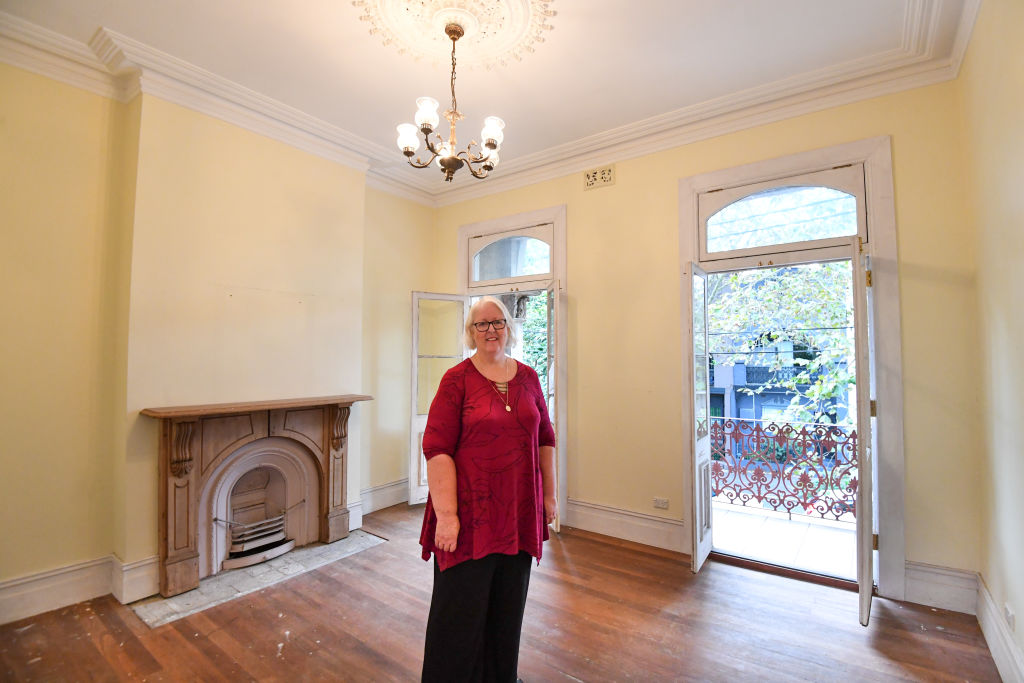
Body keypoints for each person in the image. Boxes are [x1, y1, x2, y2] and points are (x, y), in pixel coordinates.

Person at [419, 296, 557, 682]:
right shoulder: (456, 380)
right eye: (481, 324)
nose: (490, 330)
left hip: (518, 513)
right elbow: (437, 448)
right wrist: (446, 517)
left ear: (508, 329)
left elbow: (546, 437)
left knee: (507, 611)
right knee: (458, 614)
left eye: (497, 322)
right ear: (471, 333)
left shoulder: (529, 377)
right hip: (469, 517)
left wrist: (549, 496)